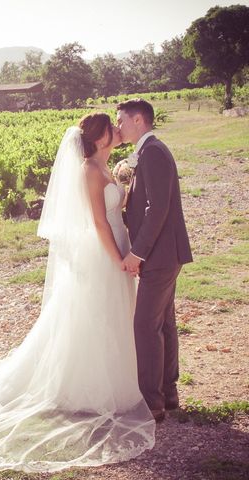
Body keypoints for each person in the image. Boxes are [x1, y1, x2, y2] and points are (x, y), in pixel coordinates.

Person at [0, 113, 155, 473]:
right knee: (94, 314)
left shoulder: (105, 167)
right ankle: (88, 386)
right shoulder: (88, 170)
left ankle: (118, 376)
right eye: (111, 127)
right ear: (100, 138)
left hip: (115, 245)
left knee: (112, 313)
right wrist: (117, 257)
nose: (117, 130)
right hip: (103, 250)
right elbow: (100, 221)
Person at [117, 99, 193, 422]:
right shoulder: (148, 152)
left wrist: (137, 252)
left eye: (120, 120)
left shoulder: (153, 153)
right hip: (164, 254)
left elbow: (158, 209)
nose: (117, 125)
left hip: (160, 255)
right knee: (162, 323)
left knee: (145, 325)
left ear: (138, 120)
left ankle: (152, 403)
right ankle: (167, 395)